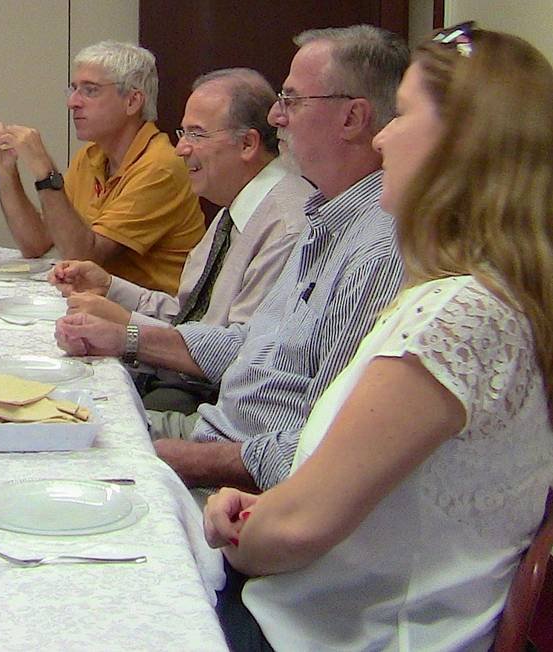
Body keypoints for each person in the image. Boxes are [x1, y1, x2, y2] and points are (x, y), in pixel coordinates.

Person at [204, 24, 553, 651]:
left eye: (407, 115)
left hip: (332, 634)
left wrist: (237, 527)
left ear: (462, 145)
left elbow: (300, 528)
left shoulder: (460, 316)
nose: (385, 135)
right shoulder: (485, 297)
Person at [55, 26, 408, 492]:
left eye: (293, 100)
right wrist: (125, 330)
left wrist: (160, 451)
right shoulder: (321, 215)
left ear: (352, 118)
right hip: (215, 434)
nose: (277, 117)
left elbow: (317, 446)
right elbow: (247, 345)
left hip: (230, 471)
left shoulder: (367, 244)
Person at [53, 68, 312, 414]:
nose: (180, 149)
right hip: (183, 381)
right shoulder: (233, 209)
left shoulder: (286, 226)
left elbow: (241, 353)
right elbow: (189, 315)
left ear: (248, 144)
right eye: (182, 132)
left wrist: (127, 328)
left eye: (196, 134)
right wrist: (110, 287)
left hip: (217, 405)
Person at [0, 41, 205, 293]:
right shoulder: (92, 155)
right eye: (74, 89)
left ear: (132, 101)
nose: (73, 103)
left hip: (154, 318)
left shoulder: (160, 166)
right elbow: (36, 244)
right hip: (104, 307)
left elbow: (84, 256)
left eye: (90, 90)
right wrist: (6, 171)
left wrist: (45, 171)